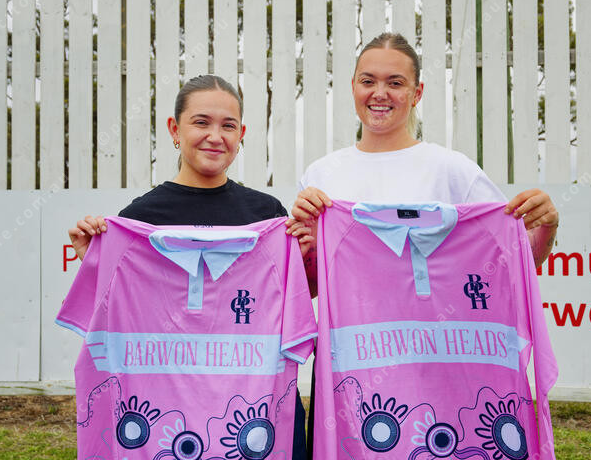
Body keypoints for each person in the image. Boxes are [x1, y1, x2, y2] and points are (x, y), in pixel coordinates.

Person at [284, 32, 559, 457]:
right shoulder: (322, 176)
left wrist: (546, 228)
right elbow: (313, 287)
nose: (380, 93)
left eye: (395, 82)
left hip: (442, 367)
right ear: (353, 87)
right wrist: (305, 244)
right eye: (368, 81)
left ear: (417, 93)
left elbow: (511, 265)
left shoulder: (453, 171)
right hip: (353, 370)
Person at [68, 74, 311, 460]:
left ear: (241, 134)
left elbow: (293, 304)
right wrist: (94, 258)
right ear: (174, 130)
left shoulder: (269, 216)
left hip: (256, 410)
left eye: (228, 126)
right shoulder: (139, 219)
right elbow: (121, 316)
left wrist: (305, 253)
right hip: (167, 408)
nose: (215, 136)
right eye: (201, 122)